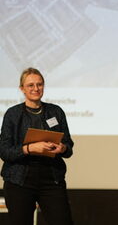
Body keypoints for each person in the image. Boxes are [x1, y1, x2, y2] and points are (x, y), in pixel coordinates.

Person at [0, 68, 74, 225]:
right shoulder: (12, 114)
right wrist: (30, 148)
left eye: (39, 84)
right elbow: (4, 151)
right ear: (22, 89)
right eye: (31, 85)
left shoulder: (56, 111)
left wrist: (62, 148)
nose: (36, 89)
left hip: (52, 179)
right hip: (19, 181)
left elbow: (69, 146)